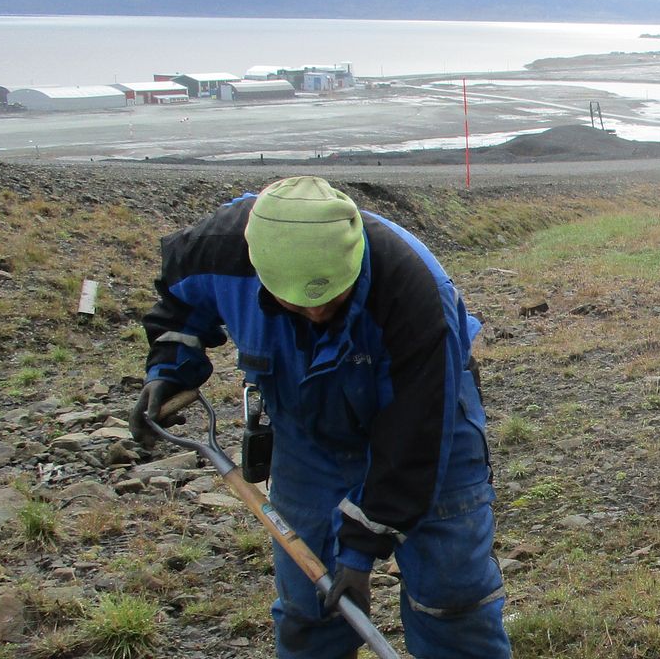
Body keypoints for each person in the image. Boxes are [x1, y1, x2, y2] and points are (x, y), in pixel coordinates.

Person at [129, 176, 510, 658]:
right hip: (307, 441)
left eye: (331, 297)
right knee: (313, 612)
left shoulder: (411, 286)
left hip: (433, 430)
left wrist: (358, 551)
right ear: (258, 267)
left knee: (454, 604)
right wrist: (168, 371)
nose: (315, 313)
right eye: (297, 301)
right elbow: (180, 310)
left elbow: (417, 433)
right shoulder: (215, 251)